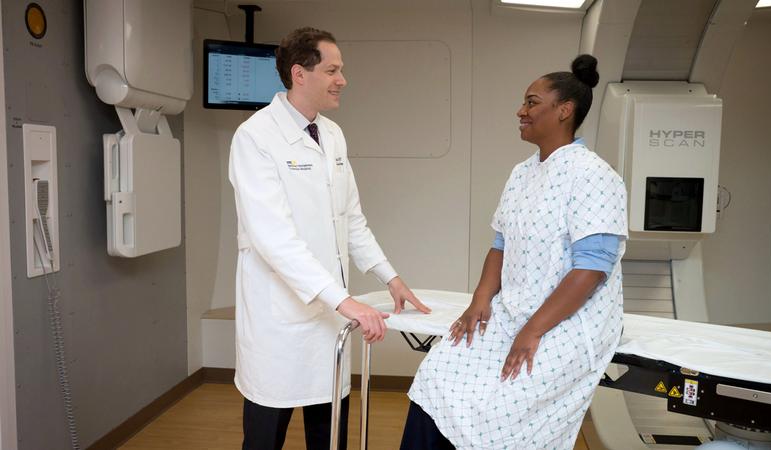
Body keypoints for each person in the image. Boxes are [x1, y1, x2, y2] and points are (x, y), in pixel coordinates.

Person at [400, 55, 628, 449]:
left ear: (564, 110)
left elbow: (590, 271)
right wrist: (480, 300)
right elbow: (500, 246)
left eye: (531, 102)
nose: (520, 111)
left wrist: (533, 329)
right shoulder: (522, 173)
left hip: (568, 323)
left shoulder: (594, 175)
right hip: (512, 311)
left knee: (501, 411)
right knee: (437, 375)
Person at [228, 27, 430, 450]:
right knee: (265, 439)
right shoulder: (255, 137)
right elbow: (274, 239)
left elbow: (351, 219)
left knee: (330, 435)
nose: (343, 79)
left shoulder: (332, 134)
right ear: (300, 73)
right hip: (280, 323)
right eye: (333, 70)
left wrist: (389, 277)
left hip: (330, 321)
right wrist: (344, 301)